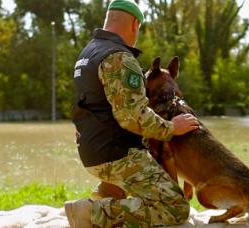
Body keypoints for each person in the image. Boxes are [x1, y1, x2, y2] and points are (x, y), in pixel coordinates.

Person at [64, 0, 199, 227]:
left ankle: (105, 193)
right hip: (118, 155)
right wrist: (172, 128)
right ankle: (91, 211)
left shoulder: (87, 53)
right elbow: (132, 116)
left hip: (91, 150)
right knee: (176, 209)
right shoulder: (119, 57)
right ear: (135, 24)